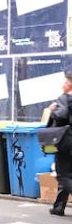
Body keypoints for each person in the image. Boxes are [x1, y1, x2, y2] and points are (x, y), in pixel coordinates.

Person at [48, 74, 72, 216]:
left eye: (66, 81)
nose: (64, 84)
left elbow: (61, 115)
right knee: (69, 174)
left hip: (67, 140)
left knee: (63, 175)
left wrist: (53, 110)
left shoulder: (65, 98)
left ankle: (59, 206)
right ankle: (59, 207)